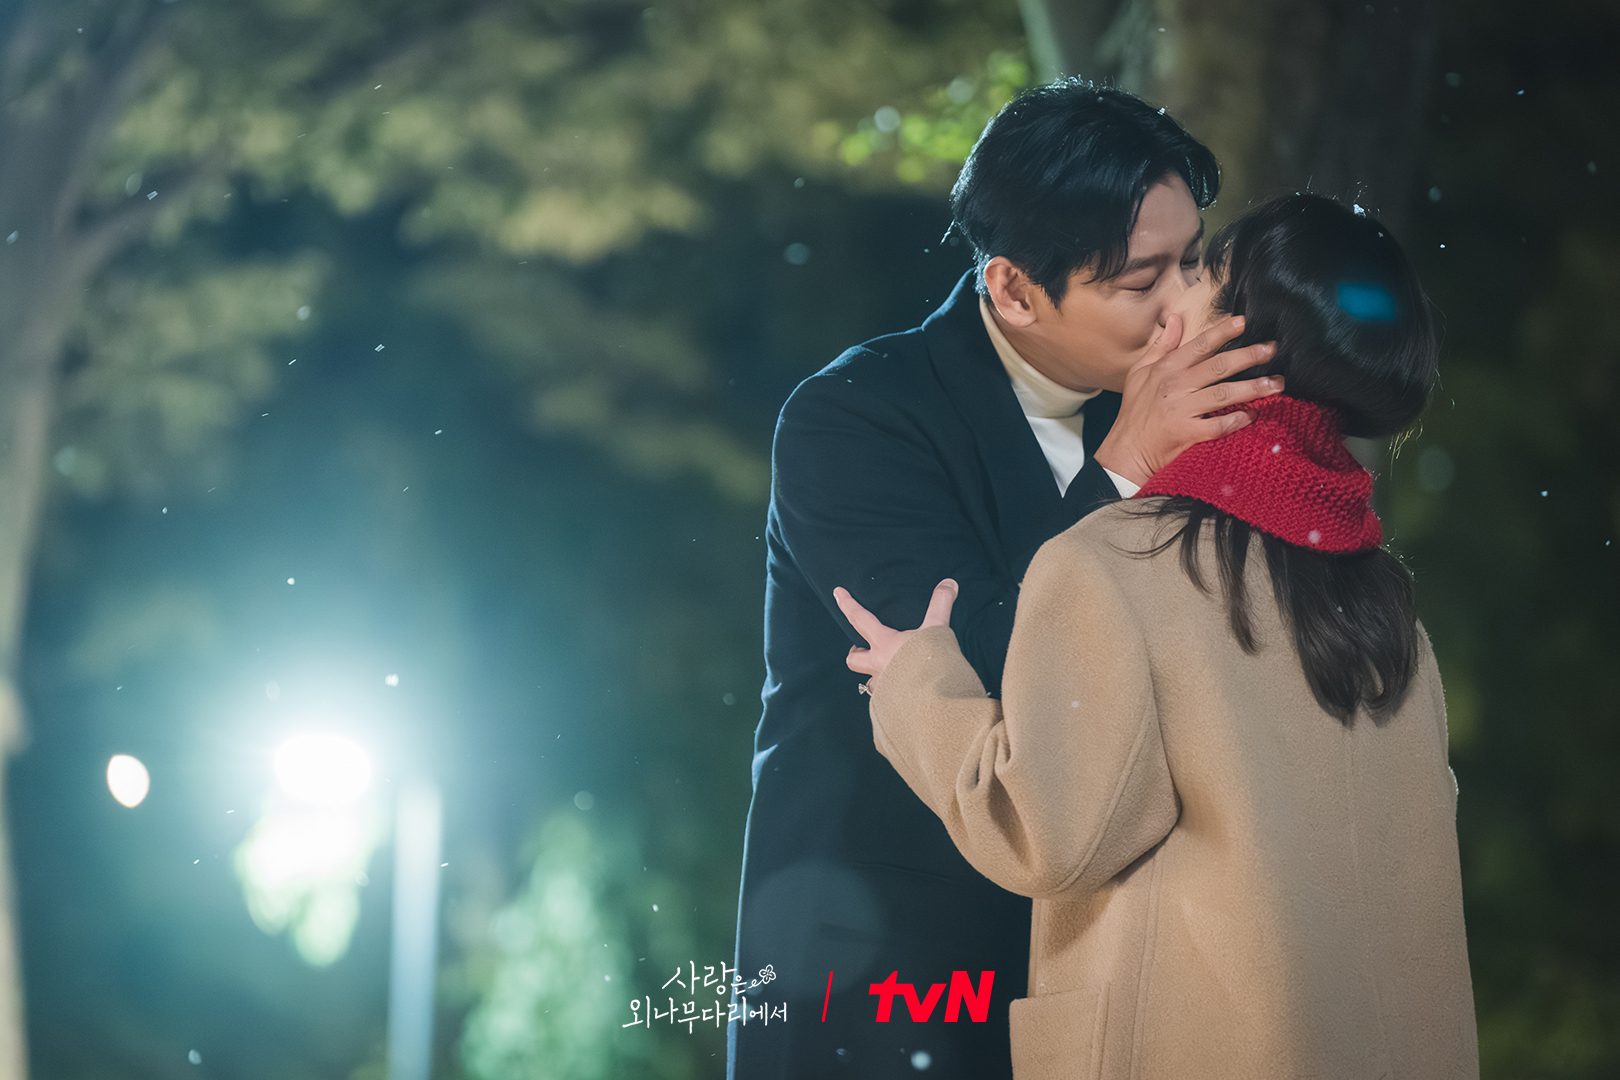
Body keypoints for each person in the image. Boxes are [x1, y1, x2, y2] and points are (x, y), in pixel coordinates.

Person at [836, 193, 1478, 1078]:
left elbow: (1045, 831)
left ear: (1235, 342)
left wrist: (919, 685)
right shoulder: (1380, 597)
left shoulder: (1115, 562)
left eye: (1201, 271)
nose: (1166, 293)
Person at [729, 82, 1282, 1079]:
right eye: (1140, 281)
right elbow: (985, 667)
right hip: (892, 970)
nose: (1183, 308)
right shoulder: (854, 419)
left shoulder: (1193, 414)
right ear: (1015, 290)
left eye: (1193, 261)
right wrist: (1126, 467)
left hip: (1121, 971)